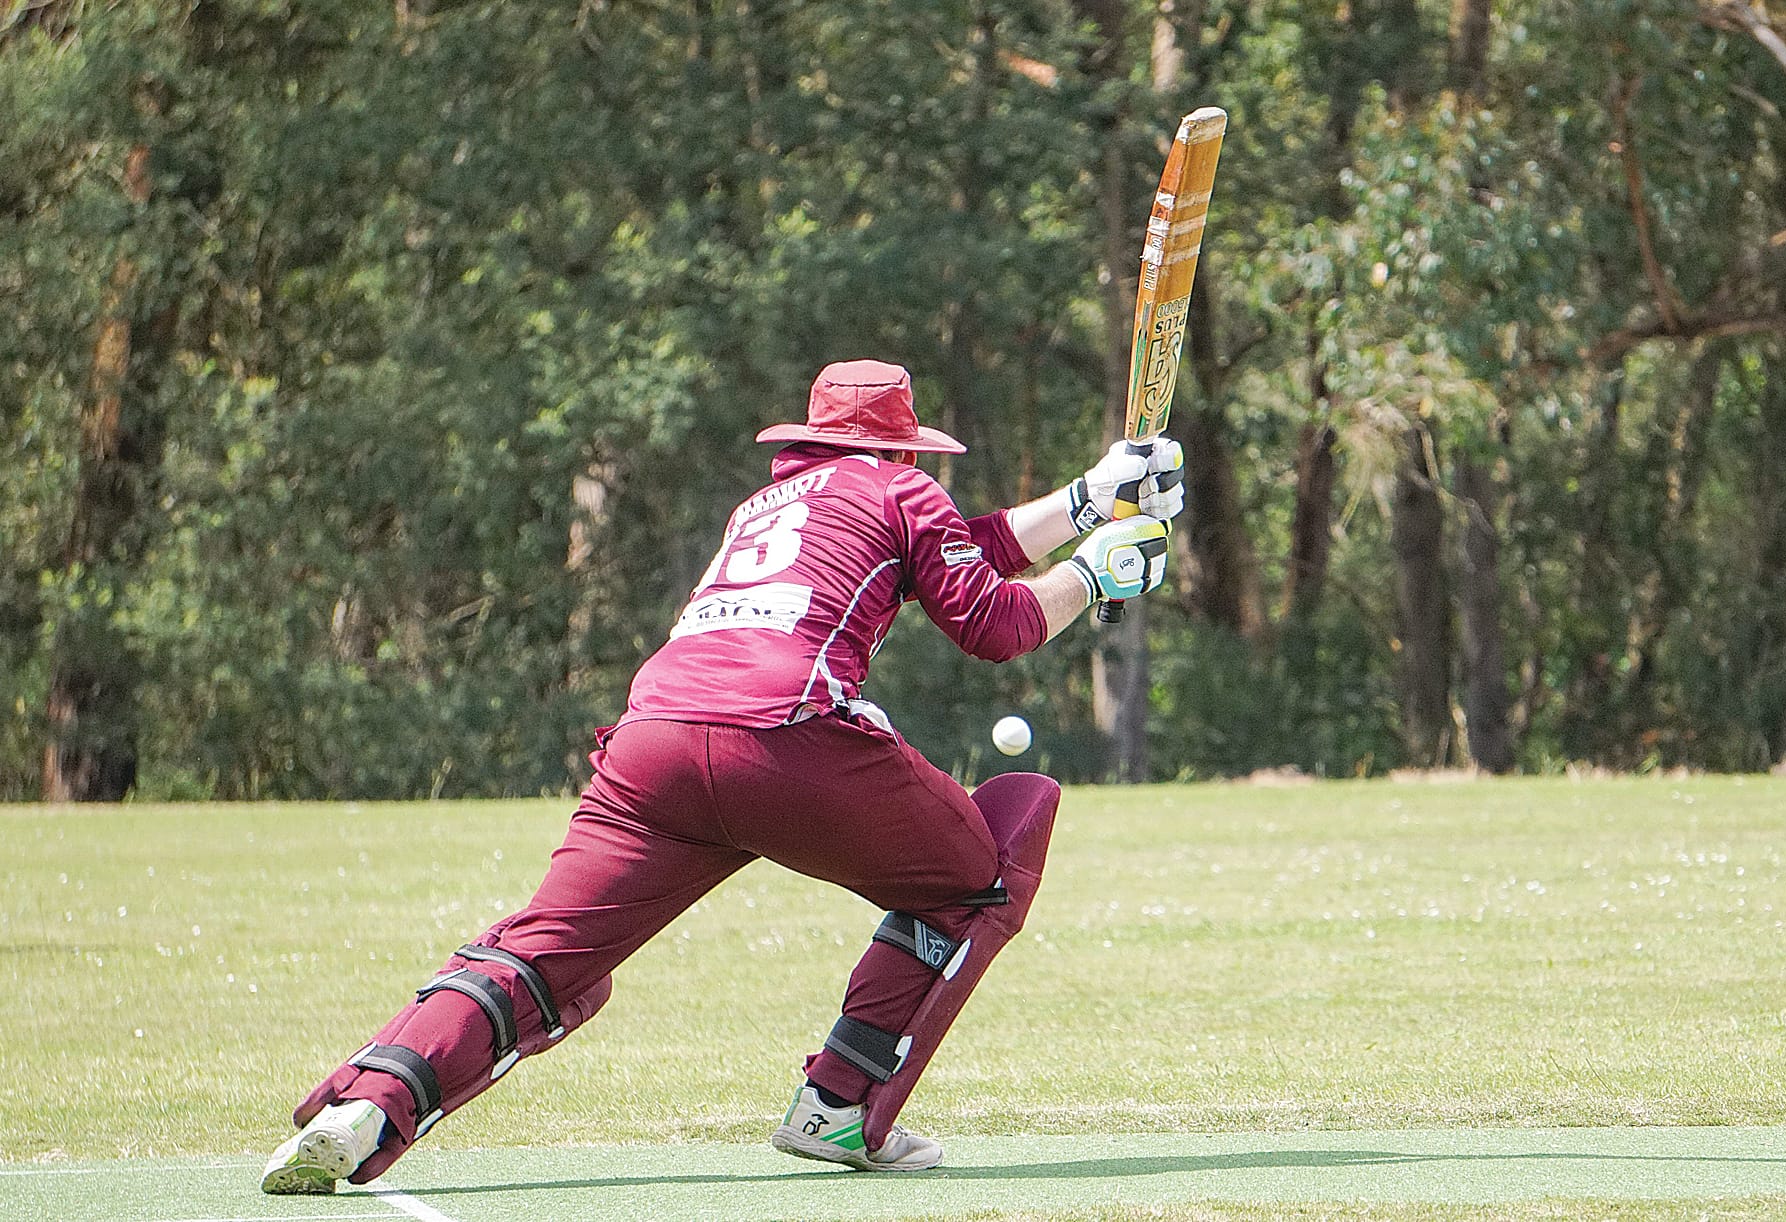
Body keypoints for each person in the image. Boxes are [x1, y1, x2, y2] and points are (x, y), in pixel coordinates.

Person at [261, 358, 1184, 1192]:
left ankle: (371, 1102)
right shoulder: (901, 491)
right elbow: (994, 625)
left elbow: (949, 557)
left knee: (540, 950)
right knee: (981, 873)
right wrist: (1095, 577)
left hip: (650, 745)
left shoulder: (767, 505)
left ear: (809, 438)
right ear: (902, 448)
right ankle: (836, 1108)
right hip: (787, 741)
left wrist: (1088, 500)